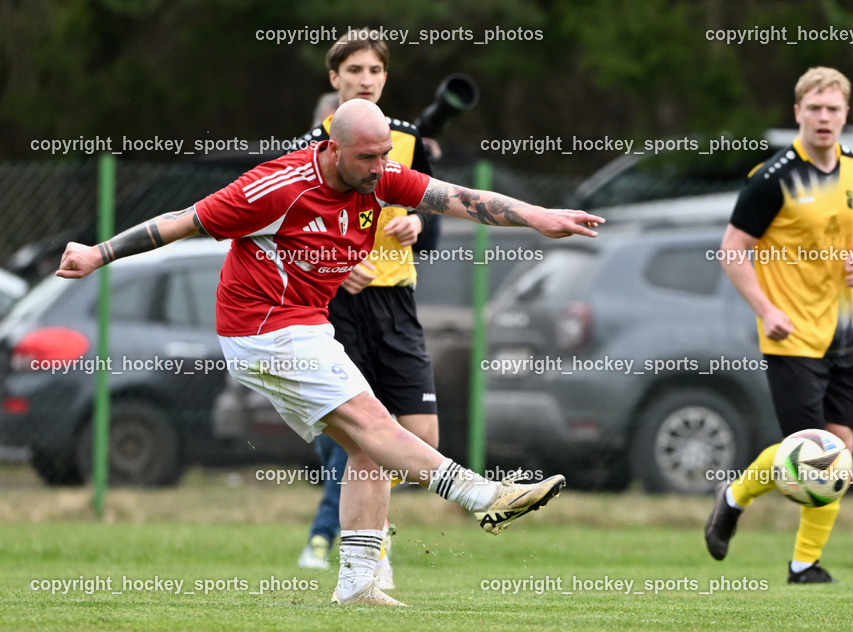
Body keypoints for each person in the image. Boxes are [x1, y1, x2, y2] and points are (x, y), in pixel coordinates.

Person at [58, 98, 602, 606]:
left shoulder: (379, 174)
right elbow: (178, 222)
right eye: (367, 157)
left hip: (304, 327)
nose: (379, 167)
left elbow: (457, 198)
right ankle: (483, 497)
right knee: (374, 423)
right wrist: (97, 254)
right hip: (263, 329)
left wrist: (537, 216)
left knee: (367, 448)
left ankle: (358, 584)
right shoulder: (274, 187)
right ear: (330, 147)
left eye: (385, 154)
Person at [703, 66, 853, 584]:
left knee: (839, 450)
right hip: (791, 333)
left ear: (846, 115)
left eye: (834, 109)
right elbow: (733, 251)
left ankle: (803, 562)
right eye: (815, 108)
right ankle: (736, 499)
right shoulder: (773, 176)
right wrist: (766, 309)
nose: (824, 118)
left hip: (846, 328)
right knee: (812, 447)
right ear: (797, 112)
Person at [293, 30, 441, 584]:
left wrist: (419, 223)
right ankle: (369, 556)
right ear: (335, 79)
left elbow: (435, 226)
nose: (365, 80)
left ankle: (367, 531)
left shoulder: (408, 139)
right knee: (365, 439)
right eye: (354, 70)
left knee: (421, 438)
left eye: (375, 71)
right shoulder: (313, 145)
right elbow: (293, 229)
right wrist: (335, 263)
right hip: (337, 306)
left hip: (398, 304)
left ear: (385, 77)